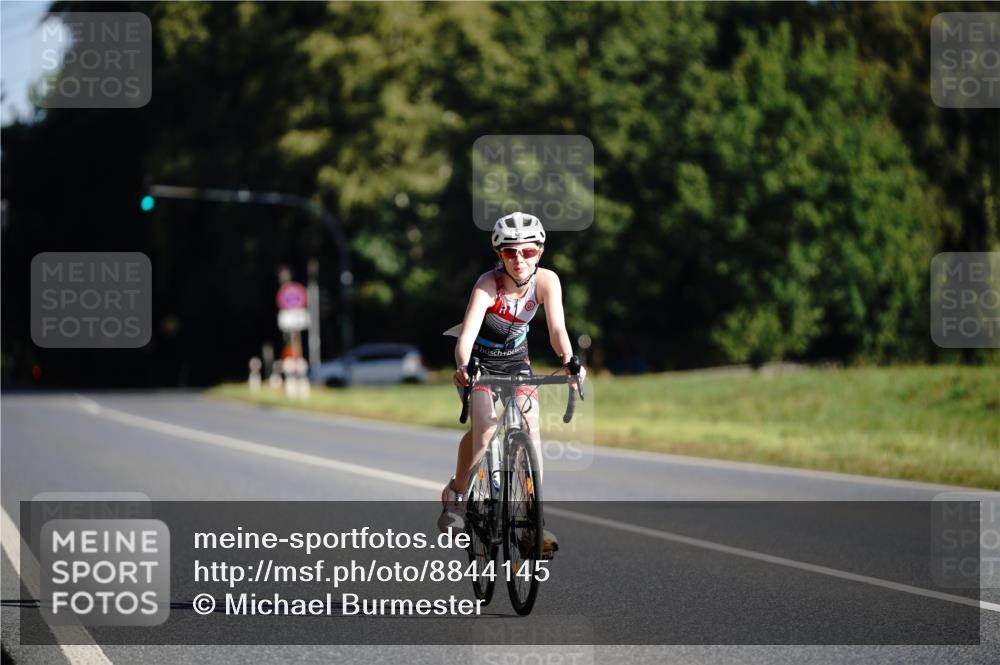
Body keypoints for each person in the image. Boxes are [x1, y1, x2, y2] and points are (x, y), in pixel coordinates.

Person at [438, 212, 585, 559]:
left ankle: (532, 522)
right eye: (510, 252)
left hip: (517, 361)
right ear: (499, 255)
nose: (519, 260)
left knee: (531, 428)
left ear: (540, 252)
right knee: (486, 427)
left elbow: (557, 331)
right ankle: (456, 495)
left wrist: (568, 360)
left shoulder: (547, 281)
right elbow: (467, 334)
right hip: (480, 364)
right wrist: (462, 365)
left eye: (528, 252)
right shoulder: (488, 284)